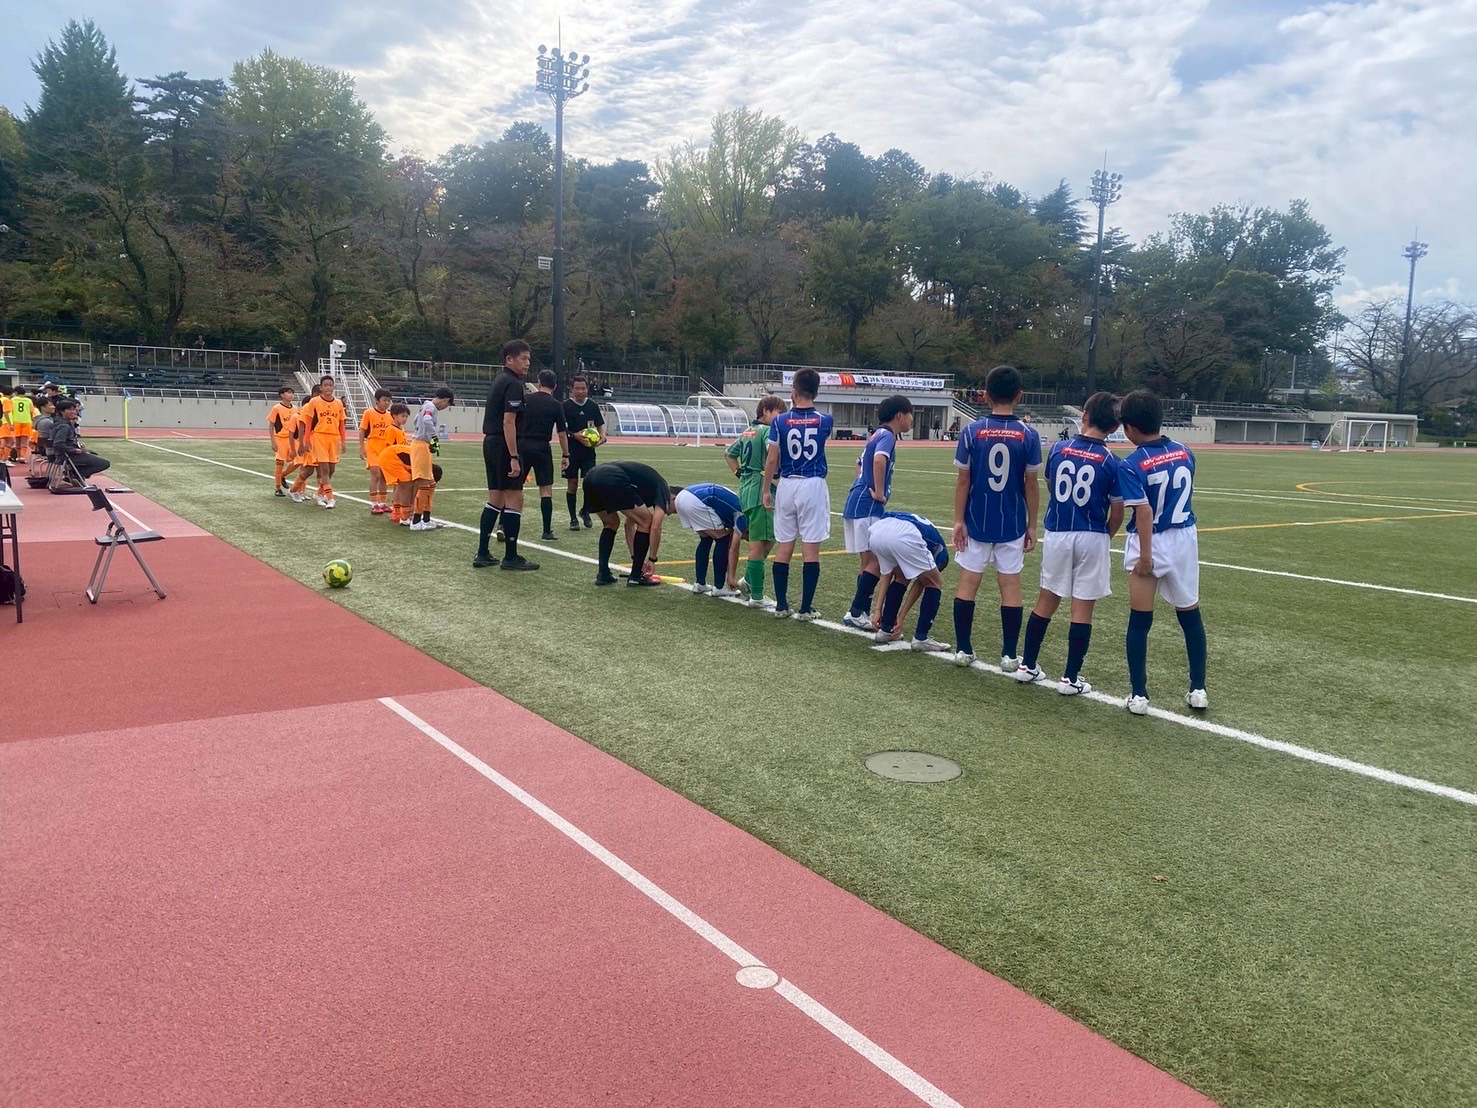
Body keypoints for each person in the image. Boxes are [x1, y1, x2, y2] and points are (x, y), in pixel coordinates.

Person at [1013, 391, 1127, 695]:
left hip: (1058, 532)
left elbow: (1051, 485)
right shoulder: (1112, 462)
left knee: (1046, 599)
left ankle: (1028, 665)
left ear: (1084, 417)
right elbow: (1117, 512)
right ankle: (1070, 678)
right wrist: (1105, 536)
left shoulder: (1059, 448)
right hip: (1092, 533)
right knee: (1082, 607)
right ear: (1114, 427)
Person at [1115, 390, 1209, 715]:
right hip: (1184, 538)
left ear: (1128, 427)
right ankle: (1198, 689)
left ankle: (1139, 695)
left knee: (1140, 619)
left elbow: (1143, 512)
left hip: (1151, 540)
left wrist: (1145, 556)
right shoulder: (1185, 451)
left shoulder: (1131, 464)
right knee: (1190, 615)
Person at [950, 364, 1042, 671]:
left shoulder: (971, 431)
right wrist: (1032, 524)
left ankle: (963, 650)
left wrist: (958, 520)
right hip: (1011, 522)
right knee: (1011, 587)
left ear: (986, 396)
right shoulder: (1029, 434)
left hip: (976, 519)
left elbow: (963, 480)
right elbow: (1031, 484)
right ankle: (1009, 655)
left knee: (968, 584)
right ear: (1019, 396)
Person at [760, 368, 833, 620]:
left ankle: (781, 605)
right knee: (810, 550)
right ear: (816, 392)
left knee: (784, 546)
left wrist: (766, 490)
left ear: (794, 391)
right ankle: (805, 608)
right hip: (812, 484)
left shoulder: (779, 421)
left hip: (787, 485)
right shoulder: (825, 420)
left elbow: (772, 459)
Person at [841, 395, 913, 630]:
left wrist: (864, 482)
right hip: (868, 504)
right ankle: (855, 611)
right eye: (910, 414)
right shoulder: (888, 436)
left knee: (866, 562)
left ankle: (860, 610)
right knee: (876, 561)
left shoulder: (876, 434)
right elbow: (879, 461)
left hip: (856, 500)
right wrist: (880, 493)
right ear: (900, 415)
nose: (911, 419)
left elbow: (859, 464)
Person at [475, 340, 537, 570]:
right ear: (509, 359)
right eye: (523, 358)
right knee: (514, 499)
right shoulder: (512, 384)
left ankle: (483, 552)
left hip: (491, 443)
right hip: (503, 445)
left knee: (496, 499)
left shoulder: (499, 380)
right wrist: (514, 457)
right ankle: (510, 557)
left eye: (529, 359)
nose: (527, 363)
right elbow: (508, 421)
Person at [724, 395, 785, 608]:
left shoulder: (747, 432)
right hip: (760, 491)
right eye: (779, 413)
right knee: (759, 542)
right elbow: (772, 451)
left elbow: (728, 454)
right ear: (766, 411)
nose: (781, 418)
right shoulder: (768, 431)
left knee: (769, 536)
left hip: (747, 490)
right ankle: (757, 596)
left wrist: (739, 473)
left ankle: (749, 579)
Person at [867, 511, 952, 653]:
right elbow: (923, 583)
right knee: (935, 582)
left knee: (901, 576)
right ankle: (921, 638)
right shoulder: (940, 553)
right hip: (905, 536)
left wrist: (877, 610)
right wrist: (901, 617)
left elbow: (887, 574)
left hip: (878, 532)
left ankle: (886, 630)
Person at [582, 460, 671, 587]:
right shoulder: (664, 489)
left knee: (611, 523)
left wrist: (636, 559)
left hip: (591, 477)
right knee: (646, 521)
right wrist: (652, 559)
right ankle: (635, 577)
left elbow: (629, 525)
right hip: (612, 477)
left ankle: (603, 574)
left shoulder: (645, 489)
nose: (670, 513)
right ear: (673, 497)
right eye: (675, 509)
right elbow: (655, 527)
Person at [519, 370, 570, 540]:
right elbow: (562, 434)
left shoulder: (525, 400)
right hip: (542, 447)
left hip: (523, 445)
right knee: (546, 489)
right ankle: (547, 531)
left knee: (515, 488)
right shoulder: (556, 405)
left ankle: (504, 525)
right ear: (554, 386)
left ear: (539, 382)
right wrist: (566, 455)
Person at [672, 482, 746, 596]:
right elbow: (733, 549)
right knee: (722, 539)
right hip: (697, 500)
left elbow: (731, 544)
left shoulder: (734, 514)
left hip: (683, 497)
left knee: (706, 538)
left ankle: (700, 584)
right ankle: (719, 587)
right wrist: (731, 577)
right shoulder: (743, 517)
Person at [562, 374, 607, 529]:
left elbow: (600, 427)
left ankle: (585, 511)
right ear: (572, 389)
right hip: (571, 451)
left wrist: (602, 438)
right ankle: (573, 519)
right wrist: (575, 436)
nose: (580, 391)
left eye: (583, 388)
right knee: (572, 484)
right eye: (577, 388)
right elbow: (562, 430)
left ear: (587, 389)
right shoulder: (565, 406)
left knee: (590, 483)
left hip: (588, 452)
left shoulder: (593, 406)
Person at [409, 387, 455, 531]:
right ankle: (416, 521)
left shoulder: (426, 405)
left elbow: (416, 420)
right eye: (447, 405)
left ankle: (426, 519)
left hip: (422, 444)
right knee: (424, 484)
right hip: (421, 446)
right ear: (446, 400)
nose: (445, 408)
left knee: (431, 483)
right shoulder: (431, 407)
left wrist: (423, 433)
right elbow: (427, 420)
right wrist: (434, 437)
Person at [298, 376, 347, 508]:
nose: (328, 387)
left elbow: (341, 424)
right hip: (319, 437)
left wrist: (343, 441)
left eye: (330, 385)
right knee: (324, 468)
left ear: (334, 387)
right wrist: (306, 440)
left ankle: (319, 493)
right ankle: (330, 499)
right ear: (321, 387)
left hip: (333, 438)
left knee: (331, 469)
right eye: (325, 385)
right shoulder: (314, 402)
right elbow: (308, 424)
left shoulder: (338, 403)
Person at [48, 398, 110, 481]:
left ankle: (75, 474)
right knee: (104, 463)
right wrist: (75, 450)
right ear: (62, 411)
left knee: (92, 454)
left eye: (74, 409)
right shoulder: (64, 426)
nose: (73, 412)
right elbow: (58, 444)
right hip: (67, 456)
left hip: (64, 455)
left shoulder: (61, 423)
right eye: (70, 410)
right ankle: (75, 474)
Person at [359, 389, 396, 514]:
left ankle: (383, 503)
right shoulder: (369, 413)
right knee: (376, 475)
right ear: (377, 400)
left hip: (385, 448)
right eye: (384, 400)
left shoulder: (390, 415)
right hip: (372, 446)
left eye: (389, 401)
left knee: (384, 477)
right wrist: (361, 447)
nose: (387, 403)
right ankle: (374, 504)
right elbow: (362, 430)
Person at [375, 405, 412, 524]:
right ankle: (396, 512)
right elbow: (389, 447)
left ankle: (397, 510)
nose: (405, 419)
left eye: (406, 416)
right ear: (394, 416)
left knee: (399, 486)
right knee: (400, 485)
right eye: (402, 416)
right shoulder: (391, 429)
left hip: (400, 461)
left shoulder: (401, 430)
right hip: (394, 461)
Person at [287, 380, 322, 502]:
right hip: (310, 442)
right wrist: (302, 444)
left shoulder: (323, 407)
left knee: (324, 470)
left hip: (321, 442)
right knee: (308, 470)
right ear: (315, 394)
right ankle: (293, 490)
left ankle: (320, 494)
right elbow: (301, 427)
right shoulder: (307, 408)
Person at [267, 385, 302, 497]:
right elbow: (271, 425)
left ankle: (283, 475)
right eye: (289, 393)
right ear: (282, 395)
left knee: (299, 461)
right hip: (280, 438)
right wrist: (273, 441)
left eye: (292, 393)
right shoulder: (277, 408)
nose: (291, 395)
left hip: (292, 439)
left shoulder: (295, 408)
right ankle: (278, 488)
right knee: (280, 463)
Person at [7, 389, 35, 462]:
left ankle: (18, 456)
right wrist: (32, 421)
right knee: (24, 441)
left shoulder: (13, 400)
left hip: (16, 421)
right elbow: (31, 412)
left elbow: (10, 411)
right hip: (26, 421)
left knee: (17, 440)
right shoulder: (29, 400)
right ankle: (22, 457)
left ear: (16, 392)